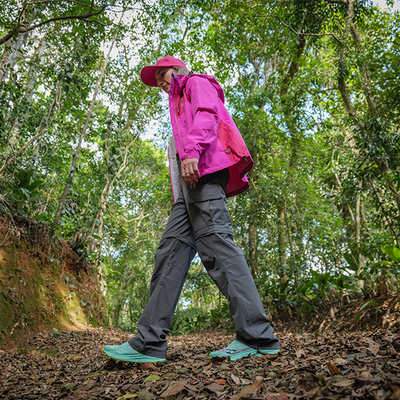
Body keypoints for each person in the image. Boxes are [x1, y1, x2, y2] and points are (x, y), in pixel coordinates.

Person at [103, 55, 280, 363]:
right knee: (170, 253)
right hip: (188, 190)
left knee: (219, 250)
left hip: (205, 173)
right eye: (156, 78)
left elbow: (208, 115)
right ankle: (148, 342)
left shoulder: (196, 83)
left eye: (162, 74)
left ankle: (258, 336)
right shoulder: (177, 105)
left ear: (178, 70)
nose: (159, 81)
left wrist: (192, 154)